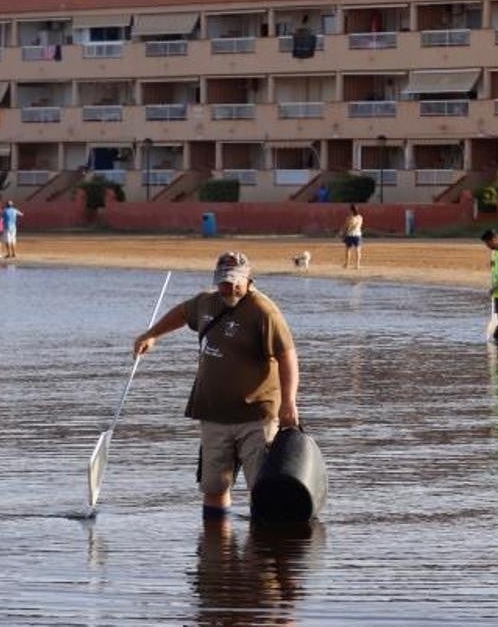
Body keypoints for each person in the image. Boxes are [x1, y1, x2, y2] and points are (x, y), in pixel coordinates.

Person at [132, 252, 300, 518]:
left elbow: (287, 355)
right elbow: (183, 312)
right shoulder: (207, 303)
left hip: (256, 416)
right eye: (224, 282)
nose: (230, 288)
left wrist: (289, 402)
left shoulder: (264, 312)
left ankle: (262, 549)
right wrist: (152, 335)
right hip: (214, 416)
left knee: (261, 487)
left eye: (236, 282)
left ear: (249, 280)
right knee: (213, 486)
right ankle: (216, 553)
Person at [341, 204, 363, 269]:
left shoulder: (349, 217)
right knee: (358, 250)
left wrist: (342, 232)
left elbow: (346, 226)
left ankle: (347, 264)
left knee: (348, 250)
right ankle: (357, 265)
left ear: (351, 210)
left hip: (350, 235)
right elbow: (360, 225)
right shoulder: (360, 217)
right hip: (358, 234)